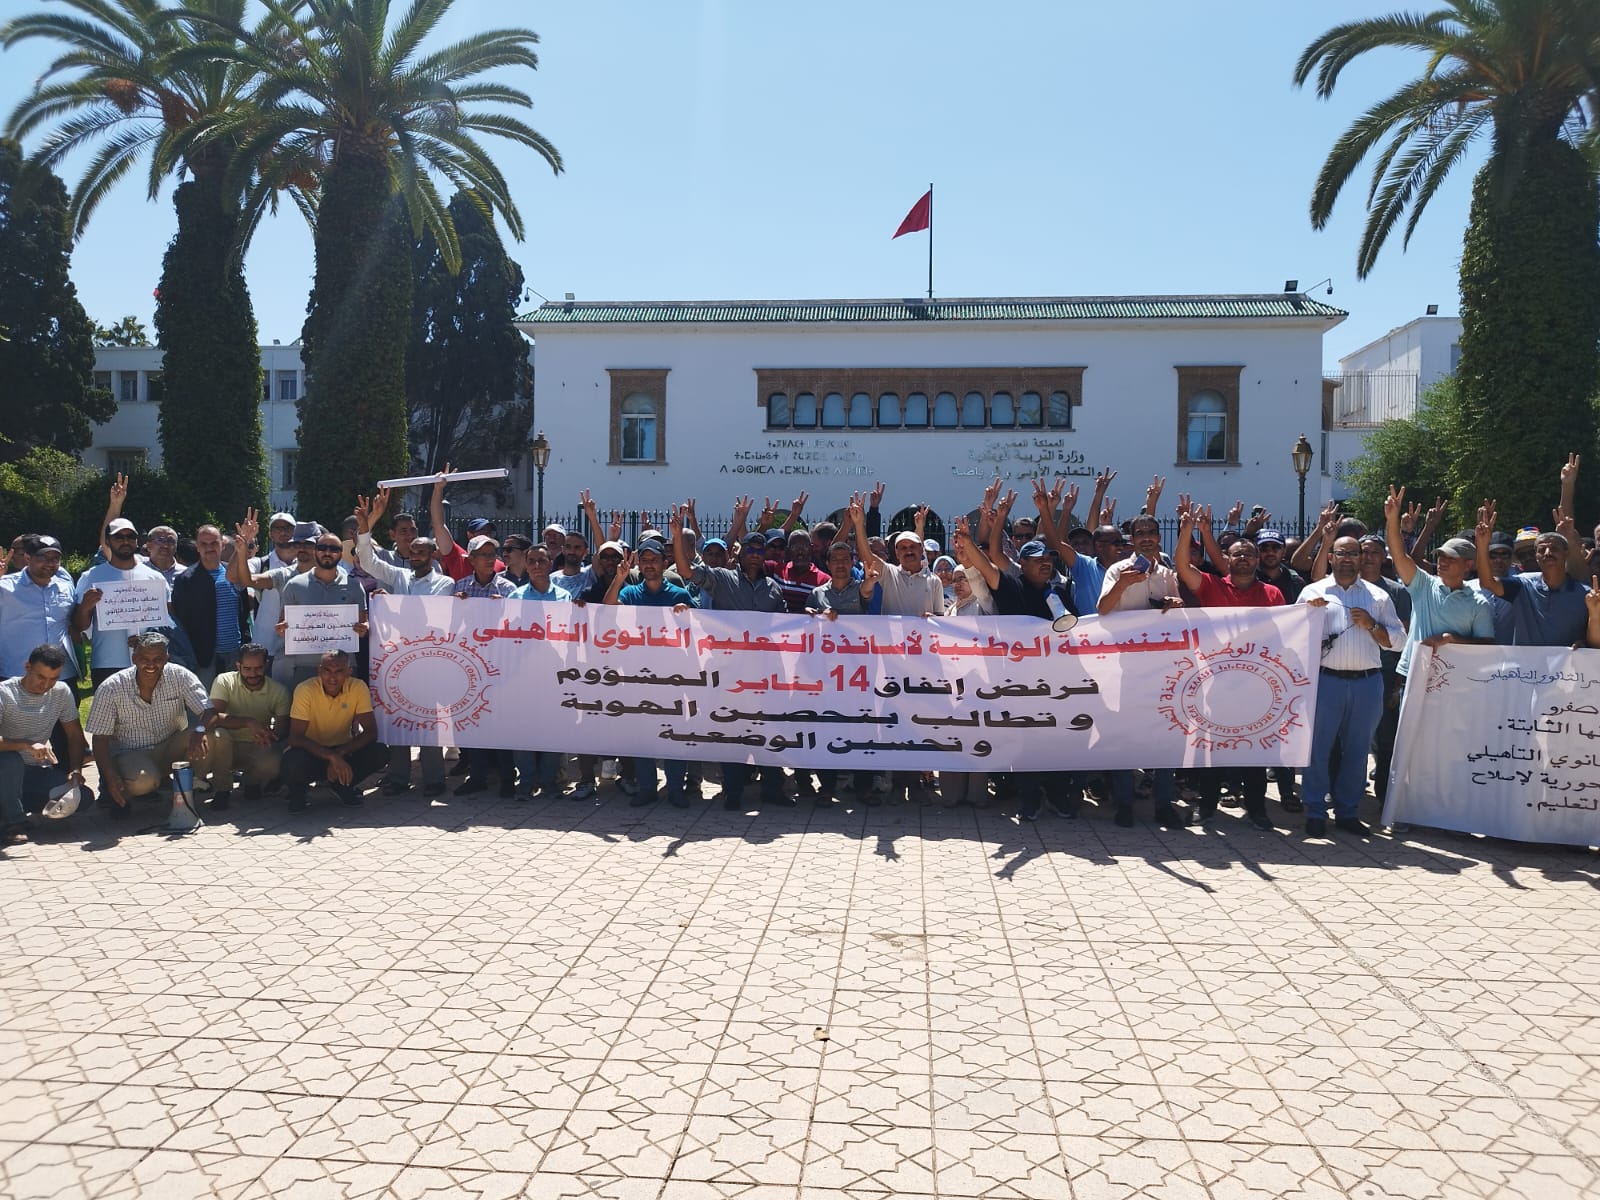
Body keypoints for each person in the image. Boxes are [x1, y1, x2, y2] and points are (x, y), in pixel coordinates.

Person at [956, 528, 1082, 822]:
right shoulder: (1011, 588)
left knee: (1057, 741)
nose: (1046, 563)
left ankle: (1057, 796)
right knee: (1026, 744)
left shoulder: (1060, 593)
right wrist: (968, 542)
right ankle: (1030, 800)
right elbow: (987, 567)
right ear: (1022, 564)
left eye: (1048, 559)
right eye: (1038, 560)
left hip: (1056, 685)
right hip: (1021, 685)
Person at [1174, 505, 1283, 831]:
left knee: (1256, 750)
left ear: (1257, 560)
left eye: (1249, 554)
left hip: (1258, 685)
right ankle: (1207, 806)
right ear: (1228, 559)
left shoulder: (1273, 593)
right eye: (1237, 555)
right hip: (1216, 682)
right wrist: (1187, 531)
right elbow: (1182, 567)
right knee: (1213, 748)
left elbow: (1285, 633)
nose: (1244, 559)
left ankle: (1257, 809)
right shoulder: (1211, 585)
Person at [1299, 537, 1405, 837]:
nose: (1347, 558)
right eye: (1341, 553)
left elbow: (1399, 642)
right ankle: (1315, 811)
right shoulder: (1312, 592)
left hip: (1366, 683)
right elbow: (1293, 637)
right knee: (1317, 749)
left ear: (1361, 558)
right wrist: (1308, 615)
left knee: (1358, 751)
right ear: (1330, 557)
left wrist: (1372, 625)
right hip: (1325, 681)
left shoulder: (1378, 596)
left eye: (1353, 553)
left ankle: (1347, 812)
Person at [1097, 514, 1187, 828]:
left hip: (1161, 668)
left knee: (1165, 737)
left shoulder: (1167, 574)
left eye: (1151, 532)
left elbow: (1176, 615)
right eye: (1140, 533)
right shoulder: (1117, 570)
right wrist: (1124, 583)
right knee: (1126, 737)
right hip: (1127, 669)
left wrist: (1175, 604)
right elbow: (1102, 610)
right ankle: (1124, 803)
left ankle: (1164, 804)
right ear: (1132, 539)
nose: (1146, 538)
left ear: (1159, 537)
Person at [84, 630, 218, 819]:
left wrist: (200, 730)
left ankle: (186, 792)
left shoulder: (180, 675)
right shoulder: (111, 687)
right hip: (130, 753)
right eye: (144, 659)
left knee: (210, 736)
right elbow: (99, 739)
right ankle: (120, 794)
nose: (151, 665)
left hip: (168, 745)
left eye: (158, 659)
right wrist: (109, 775)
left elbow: (209, 711)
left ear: (167, 658)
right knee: (143, 781)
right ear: (134, 658)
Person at [605, 535, 697, 808]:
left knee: (675, 734)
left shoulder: (679, 594)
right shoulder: (630, 593)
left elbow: (702, 629)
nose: (648, 565)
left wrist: (687, 613)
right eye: (644, 560)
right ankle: (647, 788)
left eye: (653, 560)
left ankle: (676, 788)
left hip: (673, 678)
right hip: (638, 677)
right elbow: (607, 610)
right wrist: (619, 579)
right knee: (643, 736)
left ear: (664, 563)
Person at [231, 513, 368, 689]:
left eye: (308, 544)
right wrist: (242, 549)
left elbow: (363, 622)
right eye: (297, 544)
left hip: (337, 666)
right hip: (294, 664)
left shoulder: (347, 580)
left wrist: (363, 628)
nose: (302, 548)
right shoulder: (288, 579)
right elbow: (246, 581)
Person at [0, 645, 89, 845]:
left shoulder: (61, 692)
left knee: (83, 797)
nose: (46, 684)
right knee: (10, 761)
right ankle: (13, 823)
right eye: (41, 677)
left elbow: (74, 735)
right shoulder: (4, 693)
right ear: (27, 667)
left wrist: (75, 770)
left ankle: (12, 808)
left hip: (34, 772)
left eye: (53, 679)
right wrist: (26, 745)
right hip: (5, 770)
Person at [1472, 499, 1589, 647]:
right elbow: (1487, 582)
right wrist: (1482, 544)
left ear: (1566, 553)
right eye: (1542, 550)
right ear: (1537, 556)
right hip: (1524, 663)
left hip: (1569, 663)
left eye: (1554, 548)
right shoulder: (1523, 585)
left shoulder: (1585, 594)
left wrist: (1586, 644)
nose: (1548, 553)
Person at [73, 518, 174, 688]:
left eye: (130, 537)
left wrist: (148, 639)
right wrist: (84, 607)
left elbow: (168, 621)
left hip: (150, 661)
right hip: (107, 662)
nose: (125, 541)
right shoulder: (91, 577)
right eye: (119, 537)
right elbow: (78, 626)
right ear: (107, 541)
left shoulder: (155, 578)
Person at [452, 535, 517, 796]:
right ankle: (477, 776)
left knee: (501, 724)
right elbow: (451, 627)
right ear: (471, 559)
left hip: (499, 665)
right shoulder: (460, 588)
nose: (490, 559)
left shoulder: (508, 589)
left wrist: (504, 611)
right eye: (483, 555)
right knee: (473, 723)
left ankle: (507, 778)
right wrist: (457, 606)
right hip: (470, 666)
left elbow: (519, 627)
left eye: (492, 554)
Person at [282, 650, 386, 813]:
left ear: (349, 672)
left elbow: (371, 732)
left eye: (339, 671)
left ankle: (341, 784)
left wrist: (338, 754)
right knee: (292, 760)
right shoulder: (305, 689)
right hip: (311, 751)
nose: (332, 677)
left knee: (380, 752)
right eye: (327, 670)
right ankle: (298, 792)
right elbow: (295, 738)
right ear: (319, 670)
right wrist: (331, 756)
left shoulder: (358, 687)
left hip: (342, 749)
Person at [206, 643, 290, 805]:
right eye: (247, 669)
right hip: (225, 745)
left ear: (266, 665)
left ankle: (252, 782)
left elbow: (281, 730)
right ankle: (222, 789)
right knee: (218, 736)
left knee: (276, 758)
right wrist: (248, 722)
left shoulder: (279, 691)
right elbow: (213, 717)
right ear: (238, 666)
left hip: (256, 745)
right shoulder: (224, 681)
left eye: (258, 668)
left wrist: (269, 735)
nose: (253, 674)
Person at [170, 524, 250, 688]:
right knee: (204, 701)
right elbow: (181, 620)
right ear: (197, 547)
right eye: (204, 544)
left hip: (235, 653)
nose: (209, 548)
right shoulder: (185, 580)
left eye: (214, 543)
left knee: (234, 701)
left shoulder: (234, 573)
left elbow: (244, 612)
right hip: (203, 658)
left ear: (222, 544)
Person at [0, 535, 78, 682]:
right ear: (27, 558)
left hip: (61, 675)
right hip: (17, 674)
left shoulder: (66, 587)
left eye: (55, 558)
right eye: (43, 557)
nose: (50, 563)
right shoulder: (5, 586)